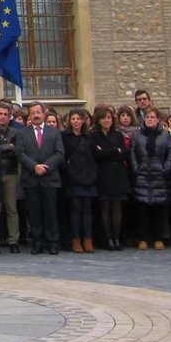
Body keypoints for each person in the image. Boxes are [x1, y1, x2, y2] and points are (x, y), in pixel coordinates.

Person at [18, 102, 64, 256]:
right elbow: (20, 154)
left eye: (38, 112)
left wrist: (45, 166)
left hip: (49, 178)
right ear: (29, 115)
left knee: (51, 212)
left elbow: (59, 153)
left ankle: (53, 242)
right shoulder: (22, 133)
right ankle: (38, 242)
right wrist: (34, 167)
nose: (36, 115)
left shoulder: (54, 132)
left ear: (44, 114)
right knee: (34, 212)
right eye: (33, 113)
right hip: (31, 179)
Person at [131, 107, 171, 250]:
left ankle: (158, 237)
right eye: (147, 117)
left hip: (159, 175)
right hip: (143, 174)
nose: (149, 119)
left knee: (158, 209)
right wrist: (136, 169)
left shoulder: (165, 136)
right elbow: (133, 153)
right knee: (142, 209)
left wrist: (165, 169)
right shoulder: (137, 135)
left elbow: (170, 154)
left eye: (152, 117)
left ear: (158, 119)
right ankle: (143, 238)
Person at [89, 105, 130, 250]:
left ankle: (117, 237)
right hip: (103, 174)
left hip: (118, 174)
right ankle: (108, 239)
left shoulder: (117, 135)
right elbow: (97, 154)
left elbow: (124, 153)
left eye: (109, 118)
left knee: (117, 207)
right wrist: (114, 151)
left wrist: (108, 152)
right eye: (103, 118)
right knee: (105, 207)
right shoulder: (94, 136)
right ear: (98, 120)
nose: (106, 120)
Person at [61, 109, 98, 254]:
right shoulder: (65, 137)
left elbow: (94, 156)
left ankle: (88, 239)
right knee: (75, 209)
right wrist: (70, 173)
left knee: (87, 210)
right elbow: (63, 157)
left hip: (88, 177)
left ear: (83, 121)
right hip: (73, 178)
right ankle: (76, 239)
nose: (76, 121)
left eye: (78, 119)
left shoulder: (89, 136)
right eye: (73, 119)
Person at [0, 101, 21, 254]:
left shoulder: (15, 132)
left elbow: (18, 151)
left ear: (9, 117)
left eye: (5, 115)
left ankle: (13, 240)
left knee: (11, 208)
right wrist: (7, 147)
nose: (2, 117)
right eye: (0, 114)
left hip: (11, 172)